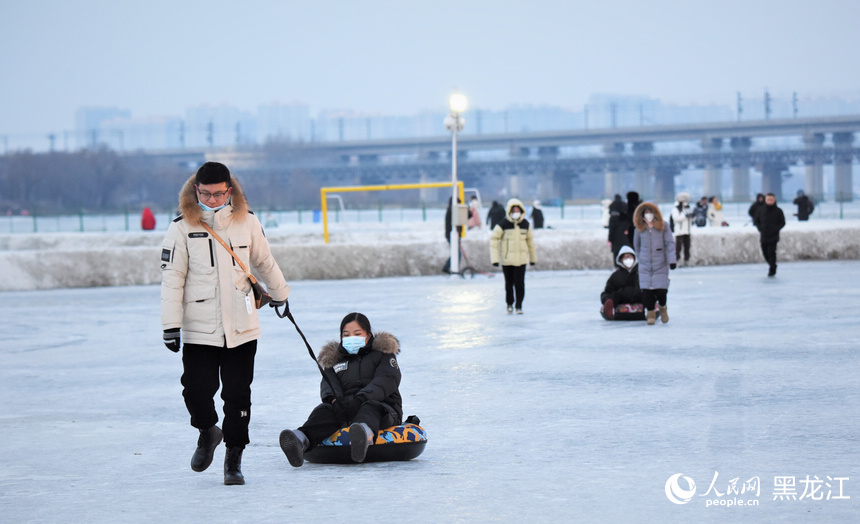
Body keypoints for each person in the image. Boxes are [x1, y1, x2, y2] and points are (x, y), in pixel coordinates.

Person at [160, 161, 290, 486]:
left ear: (229, 190)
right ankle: (207, 431)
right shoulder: (181, 228)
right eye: (206, 193)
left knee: (238, 397)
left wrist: (281, 294)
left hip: (242, 325)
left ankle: (234, 459)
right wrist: (170, 325)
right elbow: (172, 278)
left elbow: (263, 261)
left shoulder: (247, 221)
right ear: (196, 191)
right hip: (199, 328)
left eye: (219, 194)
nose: (213, 199)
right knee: (196, 391)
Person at [278, 312, 402, 467]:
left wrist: (361, 398)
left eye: (357, 334)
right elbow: (329, 384)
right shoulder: (334, 361)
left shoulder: (383, 355)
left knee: (370, 408)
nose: (351, 338)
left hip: (382, 406)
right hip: (346, 408)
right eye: (346, 335)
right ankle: (300, 439)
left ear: (368, 335)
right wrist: (335, 401)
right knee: (324, 411)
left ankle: (363, 435)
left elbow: (386, 380)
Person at [489, 198, 537, 314]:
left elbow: (530, 243)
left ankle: (519, 305)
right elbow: (494, 240)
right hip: (507, 260)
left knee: (520, 284)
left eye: (518, 210)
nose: (516, 212)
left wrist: (532, 258)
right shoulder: (503, 224)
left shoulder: (526, 225)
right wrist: (495, 259)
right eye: (514, 210)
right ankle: (509, 303)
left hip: (521, 260)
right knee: (509, 284)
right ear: (509, 211)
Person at [633, 202, 676, 325]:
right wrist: (641, 257)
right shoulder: (639, 228)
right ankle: (650, 312)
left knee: (661, 291)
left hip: (660, 263)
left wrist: (672, 261)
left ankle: (663, 307)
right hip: (645, 265)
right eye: (646, 212)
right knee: (647, 292)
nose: (648, 215)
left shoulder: (664, 226)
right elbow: (636, 245)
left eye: (650, 212)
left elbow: (670, 244)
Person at [600, 245, 643, 321]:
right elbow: (607, 291)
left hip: (638, 297)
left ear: (634, 258)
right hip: (621, 298)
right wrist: (608, 299)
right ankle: (610, 309)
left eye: (629, 257)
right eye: (625, 257)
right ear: (621, 260)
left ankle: (650, 309)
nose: (628, 259)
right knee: (611, 296)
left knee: (647, 294)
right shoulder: (615, 275)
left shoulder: (641, 273)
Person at [753, 193, 786, 277]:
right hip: (764, 235)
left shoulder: (778, 211)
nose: (770, 201)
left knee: (772, 252)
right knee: (765, 252)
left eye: (771, 200)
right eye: (768, 199)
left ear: (774, 200)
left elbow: (782, 223)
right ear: (765, 200)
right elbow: (756, 221)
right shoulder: (761, 210)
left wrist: (775, 229)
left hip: (773, 236)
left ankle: (772, 269)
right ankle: (772, 265)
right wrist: (760, 228)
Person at [670, 192, 693, 265]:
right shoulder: (676, 209)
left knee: (687, 247)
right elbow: (676, 218)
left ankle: (687, 260)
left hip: (687, 231)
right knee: (678, 248)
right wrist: (685, 215)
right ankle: (677, 260)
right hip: (679, 232)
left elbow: (690, 220)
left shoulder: (687, 208)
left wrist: (692, 216)